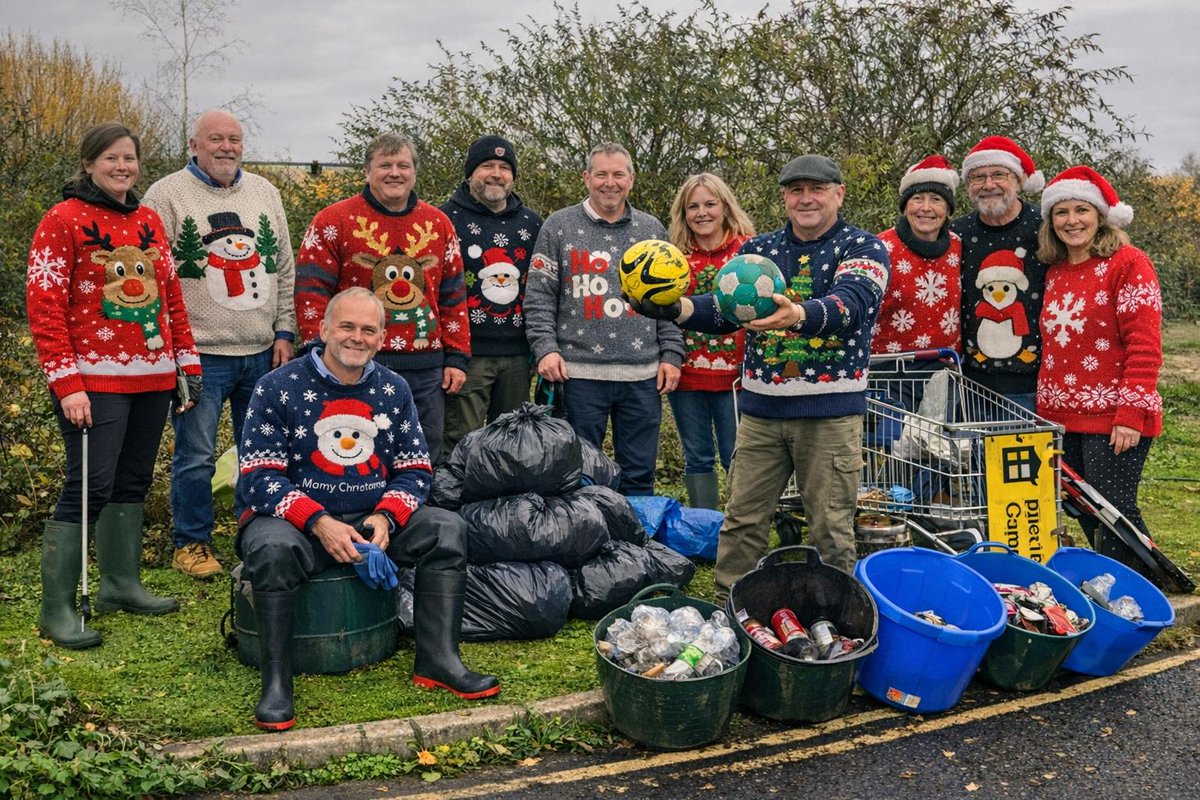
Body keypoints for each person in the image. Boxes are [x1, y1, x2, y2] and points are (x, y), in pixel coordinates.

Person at [236, 287, 499, 732]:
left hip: (371, 518)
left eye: (368, 330)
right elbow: (258, 475)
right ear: (322, 330)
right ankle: (277, 683)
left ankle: (439, 661)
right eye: (346, 326)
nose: (356, 338)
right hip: (295, 522)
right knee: (271, 550)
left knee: (447, 529)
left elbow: (416, 470)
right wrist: (319, 522)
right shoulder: (277, 386)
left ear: (381, 338)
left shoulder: (393, 389)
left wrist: (386, 516)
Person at [628, 154, 889, 602]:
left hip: (829, 416)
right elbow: (721, 308)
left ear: (839, 194)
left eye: (817, 189)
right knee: (743, 520)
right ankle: (732, 611)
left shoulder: (862, 248)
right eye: (795, 190)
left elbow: (853, 303)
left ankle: (839, 619)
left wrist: (799, 314)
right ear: (785, 197)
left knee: (830, 527)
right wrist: (673, 308)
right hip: (761, 413)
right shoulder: (758, 252)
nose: (805, 198)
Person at [27, 122, 202, 648]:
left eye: (129, 158)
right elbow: (45, 307)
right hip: (93, 383)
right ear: (88, 164)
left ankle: (120, 584)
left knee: (132, 482)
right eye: (111, 159)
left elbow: (170, 296)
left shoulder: (148, 220)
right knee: (89, 486)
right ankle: (56, 608)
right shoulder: (63, 220)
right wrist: (67, 383)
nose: (122, 167)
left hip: (152, 377)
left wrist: (186, 367)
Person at [143, 109, 296, 579]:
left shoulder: (265, 193)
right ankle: (192, 543)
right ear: (194, 144)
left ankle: (258, 535)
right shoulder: (165, 195)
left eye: (234, 139)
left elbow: (284, 268)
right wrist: (171, 346)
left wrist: (285, 331)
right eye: (216, 139)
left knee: (263, 451)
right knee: (197, 454)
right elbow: (152, 274)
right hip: (200, 355)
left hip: (262, 351)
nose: (226, 147)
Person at [294, 133, 469, 463]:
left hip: (425, 367)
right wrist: (317, 350)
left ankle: (420, 513)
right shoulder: (334, 221)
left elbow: (453, 295)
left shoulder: (438, 224)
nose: (395, 173)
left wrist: (457, 355)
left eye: (403, 165)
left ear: (415, 172)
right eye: (384, 165)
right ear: (366, 171)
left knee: (423, 453)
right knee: (358, 451)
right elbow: (311, 291)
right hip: (355, 361)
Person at [524, 142, 685, 496]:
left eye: (618, 174)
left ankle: (636, 549)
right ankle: (585, 545)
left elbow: (669, 299)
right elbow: (538, 297)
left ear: (631, 179)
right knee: (578, 474)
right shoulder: (558, 226)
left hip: (642, 374)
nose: (609, 183)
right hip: (578, 374)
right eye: (601, 174)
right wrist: (545, 349)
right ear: (586, 178)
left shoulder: (651, 229)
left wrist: (672, 354)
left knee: (640, 475)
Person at [1035, 166, 1162, 547]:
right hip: (1061, 417)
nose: (1071, 221)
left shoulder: (1128, 263)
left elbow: (1144, 344)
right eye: (1062, 212)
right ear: (1050, 220)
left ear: (1101, 216)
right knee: (1085, 510)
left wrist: (1130, 414)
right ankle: (1128, 588)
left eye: (1081, 210)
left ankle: (1144, 591)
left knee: (1114, 512)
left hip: (1111, 416)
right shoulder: (1056, 271)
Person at [439, 135, 543, 455]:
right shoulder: (445, 220)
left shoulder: (532, 223)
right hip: (467, 355)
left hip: (517, 354)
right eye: (487, 166)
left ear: (512, 176)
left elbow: (543, 288)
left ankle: (508, 505)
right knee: (461, 441)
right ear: (471, 173)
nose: (496, 173)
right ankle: (456, 504)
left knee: (513, 443)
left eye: (504, 167)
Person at [664, 173, 755, 508]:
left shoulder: (749, 250)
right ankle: (706, 525)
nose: (702, 213)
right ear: (683, 213)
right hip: (687, 376)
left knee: (738, 456)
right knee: (697, 455)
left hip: (736, 378)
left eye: (709, 204)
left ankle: (741, 525)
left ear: (725, 207)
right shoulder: (673, 258)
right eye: (693, 206)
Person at [950, 136, 1047, 412]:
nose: (989, 185)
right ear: (969, 186)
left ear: (1017, 181)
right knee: (972, 456)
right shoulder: (957, 234)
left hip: (1032, 383)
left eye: (998, 175)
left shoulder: (1044, 228)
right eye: (978, 177)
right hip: (971, 383)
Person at [873, 155, 963, 412]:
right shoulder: (879, 247)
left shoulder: (959, 246)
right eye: (917, 199)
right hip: (887, 370)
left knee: (934, 450)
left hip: (944, 370)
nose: (926, 208)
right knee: (888, 449)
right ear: (904, 206)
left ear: (947, 210)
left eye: (936, 200)